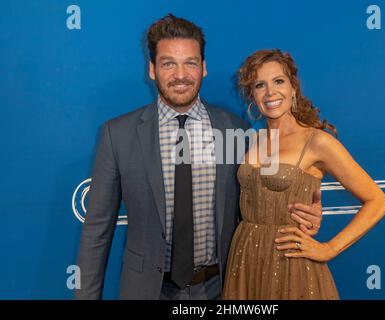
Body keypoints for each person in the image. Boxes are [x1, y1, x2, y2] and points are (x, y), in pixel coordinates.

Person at [75, 15, 323, 300]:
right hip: (146, 290)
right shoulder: (117, 134)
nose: (180, 75)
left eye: (190, 63)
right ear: (152, 69)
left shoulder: (236, 131)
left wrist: (304, 212)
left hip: (222, 288)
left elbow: (261, 201)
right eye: (169, 63)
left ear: (203, 68)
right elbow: (96, 232)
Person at [223, 49, 385, 300]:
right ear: (252, 96)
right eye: (260, 85)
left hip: (291, 264)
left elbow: (377, 201)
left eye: (278, 81)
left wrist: (329, 249)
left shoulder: (317, 142)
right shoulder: (252, 140)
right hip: (245, 259)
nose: (270, 92)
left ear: (293, 88)